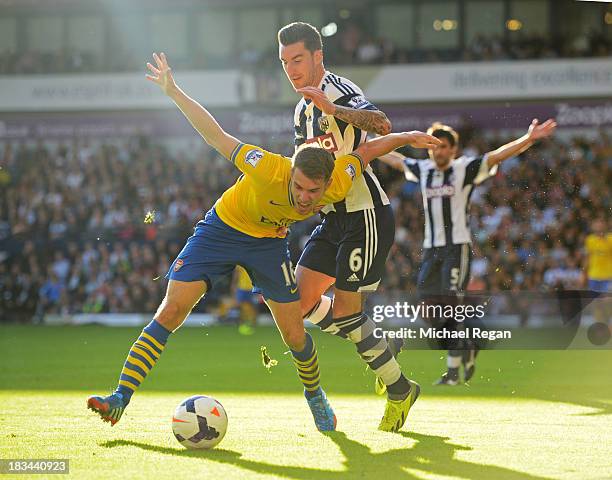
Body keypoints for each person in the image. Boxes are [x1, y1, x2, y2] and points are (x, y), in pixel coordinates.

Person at [86, 52, 440, 432]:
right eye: (299, 188)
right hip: (221, 230)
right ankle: (120, 397)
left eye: (313, 192)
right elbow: (216, 135)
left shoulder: (337, 179)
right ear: (290, 174)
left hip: (269, 243)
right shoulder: (267, 166)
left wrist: (406, 138)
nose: (306, 198)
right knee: (171, 311)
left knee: (294, 331)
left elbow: (367, 149)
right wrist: (174, 92)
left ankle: (316, 397)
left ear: (326, 185)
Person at [278, 22, 419, 431]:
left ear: (318, 56)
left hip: (366, 214)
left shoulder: (336, 88)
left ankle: (399, 389)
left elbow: (382, 124)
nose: (291, 68)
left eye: (298, 59)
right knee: (298, 305)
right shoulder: (300, 109)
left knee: (346, 311)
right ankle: (382, 344)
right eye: (285, 62)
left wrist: (333, 109)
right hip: (332, 218)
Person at [378, 119, 556, 386]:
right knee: (427, 307)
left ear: (453, 149)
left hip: (456, 248)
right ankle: (471, 342)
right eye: (434, 147)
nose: (438, 152)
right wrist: (365, 144)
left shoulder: (464, 168)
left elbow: (496, 156)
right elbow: (394, 159)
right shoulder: (423, 169)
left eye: (444, 147)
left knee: (451, 306)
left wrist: (528, 139)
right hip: (431, 249)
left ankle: (452, 372)